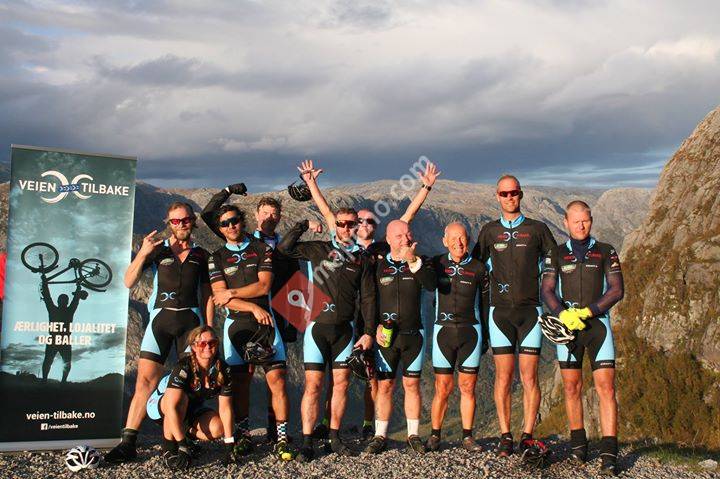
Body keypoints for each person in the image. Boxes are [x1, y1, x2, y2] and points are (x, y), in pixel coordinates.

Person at [298, 158, 440, 441]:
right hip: (346, 314)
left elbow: (407, 218)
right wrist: (311, 184)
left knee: (371, 376)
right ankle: (326, 421)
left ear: (377, 227)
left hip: (373, 316)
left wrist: (425, 188)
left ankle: (369, 424)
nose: (363, 225)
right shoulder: (344, 244)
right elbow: (327, 213)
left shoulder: (381, 249)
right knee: (337, 375)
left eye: (370, 221)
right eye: (359, 221)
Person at [105, 202, 213, 464]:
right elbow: (128, 281)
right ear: (169, 223)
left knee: (187, 383)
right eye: (175, 221)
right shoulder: (157, 250)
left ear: (193, 221)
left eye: (185, 220)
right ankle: (128, 442)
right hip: (160, 322)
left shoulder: (202, 255)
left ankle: (178, 439)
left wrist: (208, 329)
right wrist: (143, 254)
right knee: (145, 382)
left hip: (191, 324)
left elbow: (208, 295)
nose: (181, 224)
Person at [201, 185, 300, 443]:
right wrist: (253, 306)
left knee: (277, 380)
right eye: (225, 224)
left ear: (242, 221)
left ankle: (280, 437)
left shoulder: (262, 249)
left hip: (268, 323)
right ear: (220, 229)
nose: (231, 226)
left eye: (234, 220)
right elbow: (219, 297)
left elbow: (263, 286)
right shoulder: (216, 257)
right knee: (240, 383)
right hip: (238, 324)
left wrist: (233, 293)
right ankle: (243, 435)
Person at [277, 212, 376, 461]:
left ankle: (334, 437)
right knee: (313, 386)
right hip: (317, 329)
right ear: (336, 225)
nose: (345, 228)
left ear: (356, 226)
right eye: (341, 223)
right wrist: (303, 224)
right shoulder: (318, 249)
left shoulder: (362, 258)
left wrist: (368, 333)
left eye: (350, 224)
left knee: (341, 385)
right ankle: (307, 441)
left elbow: (368, 298)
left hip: (345, 331)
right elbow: (284, 249)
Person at [471, 175, 556, 456]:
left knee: (530, 377)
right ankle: (506, 435)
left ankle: (528, 435)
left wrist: (553, 296)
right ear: (497, 196)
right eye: (504, 193)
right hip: (500, 313)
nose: (510, 197)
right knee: (503, 377)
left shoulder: (537, 229)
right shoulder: (489, 231)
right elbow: (473, 268)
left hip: (531, 311)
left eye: (514, 192)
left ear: (521, 194)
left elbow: (554, 262)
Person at [541, 200, 623, 476]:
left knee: (606, 389)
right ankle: (579, 447)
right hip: (569, 329)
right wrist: (562, 314)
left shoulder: (606, 251)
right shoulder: (556, 253)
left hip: (597, 327)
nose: (580, 225)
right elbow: (547, 290)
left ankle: (609, 454)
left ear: (591, 220)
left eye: (585, 220)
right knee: (571, 388)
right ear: (565, 222)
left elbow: (616, 290)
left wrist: (588, 312)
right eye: (575, 221)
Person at [364, 220, 437, 455]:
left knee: (412, 384)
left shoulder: (421, 261)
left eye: (408, 234)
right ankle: (380, 435)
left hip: (414, 334)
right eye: (399, 236)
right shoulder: (378, 266)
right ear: (388, 240)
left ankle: (413, 435)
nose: (406, 239)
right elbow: (369, 300)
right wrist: (373, 327)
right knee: (385, 385)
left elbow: (431, 284)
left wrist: (413, 261)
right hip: (386, 337)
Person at [427, 222, 487, 452]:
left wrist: (487, 337)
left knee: (468, 387)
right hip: (443, 332)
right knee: (442, 387)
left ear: (468, 240)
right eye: (453, 238)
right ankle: (435, 435)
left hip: (471, 332)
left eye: (462, 238)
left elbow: (486, 304)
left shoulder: (479, 268)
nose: (458, 243)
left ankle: (467, 437)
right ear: (445, 241)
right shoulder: (436, 264)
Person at [145, 326, 237, 471]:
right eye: (202, 343)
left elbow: (226, 408)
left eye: (212, 343)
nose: (207, 347)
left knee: (218, 428)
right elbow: (171, 407)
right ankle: (169, 447)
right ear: (194, 347)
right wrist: (182, 446)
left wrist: (229, 444)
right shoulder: (183, 367)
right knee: (181, 399)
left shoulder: (223, 369)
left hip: (191, 408)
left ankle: (185, 432)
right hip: (161, 406)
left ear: (217, 344)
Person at [40, 279, 84, 382]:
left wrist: (45, 285)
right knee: (51, 361)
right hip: (59, 339)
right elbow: (75, 300)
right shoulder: (67, 310)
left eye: (64, 300)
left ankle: (49, 381)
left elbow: (47, 298)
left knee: (54, 362)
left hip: (60, 339)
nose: (63, 302)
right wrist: (78, 287)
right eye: (63, 300)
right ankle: (52, 381)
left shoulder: (56, 309)